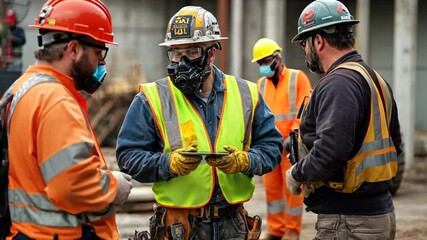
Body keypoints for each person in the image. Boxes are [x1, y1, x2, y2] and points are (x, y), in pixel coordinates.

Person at [116, 6, 283, 240]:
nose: (182, 61)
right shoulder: (151, 98)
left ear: (211, 53)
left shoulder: (246, 94)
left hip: (232, 224)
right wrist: (168, 164)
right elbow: (128, 157)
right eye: (176, 53)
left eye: (192, 51)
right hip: (179, 227)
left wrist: (247, 161)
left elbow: (273, 148)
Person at [4, 0, 133, 239]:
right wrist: (114, 186)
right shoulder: (56, 100)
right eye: (98, 52)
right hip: (61, 234)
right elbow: (70, 185)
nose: (101, 63)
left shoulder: (21, 88)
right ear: (73, 50)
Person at [286, 0, 402, 239]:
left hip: (349, 222)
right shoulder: (374, 79)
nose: (305, 51)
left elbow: (332, 150)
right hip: (378, 214)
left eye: (304, 44)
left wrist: (297, 173)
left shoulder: (338, 83)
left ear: (318, 41)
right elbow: (395, 146)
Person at [251, 38, 312, 240]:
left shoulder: (298, 78)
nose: (263, 67)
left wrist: (292, 137)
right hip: (271, 149)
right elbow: (258, 117)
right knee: (273, 191)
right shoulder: (260, 85)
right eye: (260, 63)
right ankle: (276, 230)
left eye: (266, 61)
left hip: (290, 148)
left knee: (292, 190)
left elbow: (304, 112)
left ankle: (292, 231)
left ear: (277, 59)